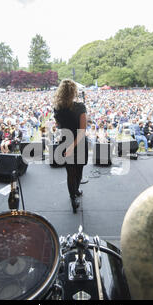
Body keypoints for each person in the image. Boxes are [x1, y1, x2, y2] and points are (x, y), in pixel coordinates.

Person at [53, 79, 88, 213]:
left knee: (70, 172)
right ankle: (76, 193)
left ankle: (73, 196)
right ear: (74, 91)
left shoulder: (57, 108)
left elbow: (59, 126)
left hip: (65, 141)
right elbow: (82, 130)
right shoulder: (80, 107)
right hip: (78, 143)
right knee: (78, 170)